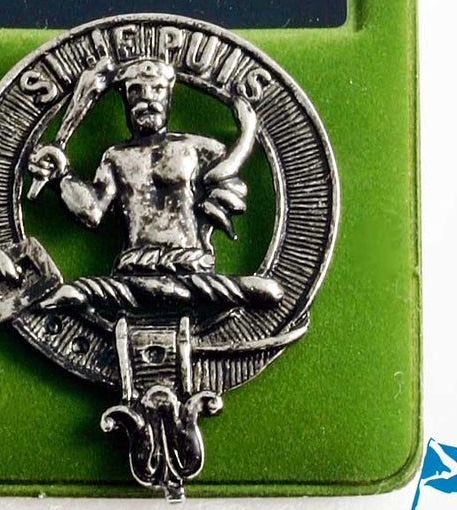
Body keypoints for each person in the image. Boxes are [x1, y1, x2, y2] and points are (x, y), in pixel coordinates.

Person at [28, 58, 283, 318]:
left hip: (191, 267)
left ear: (169, 95)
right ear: (126, 98)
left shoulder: (198, 149)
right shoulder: (116, 157)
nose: (147, 98)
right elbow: (92, 212)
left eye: (157, 89)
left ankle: (163, 293)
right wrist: (62, 175)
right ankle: (159, 293)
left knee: (269, 291)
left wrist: (248, 132)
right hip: (133, 269)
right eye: (136, 90)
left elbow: (225, 172)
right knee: (71, 293)